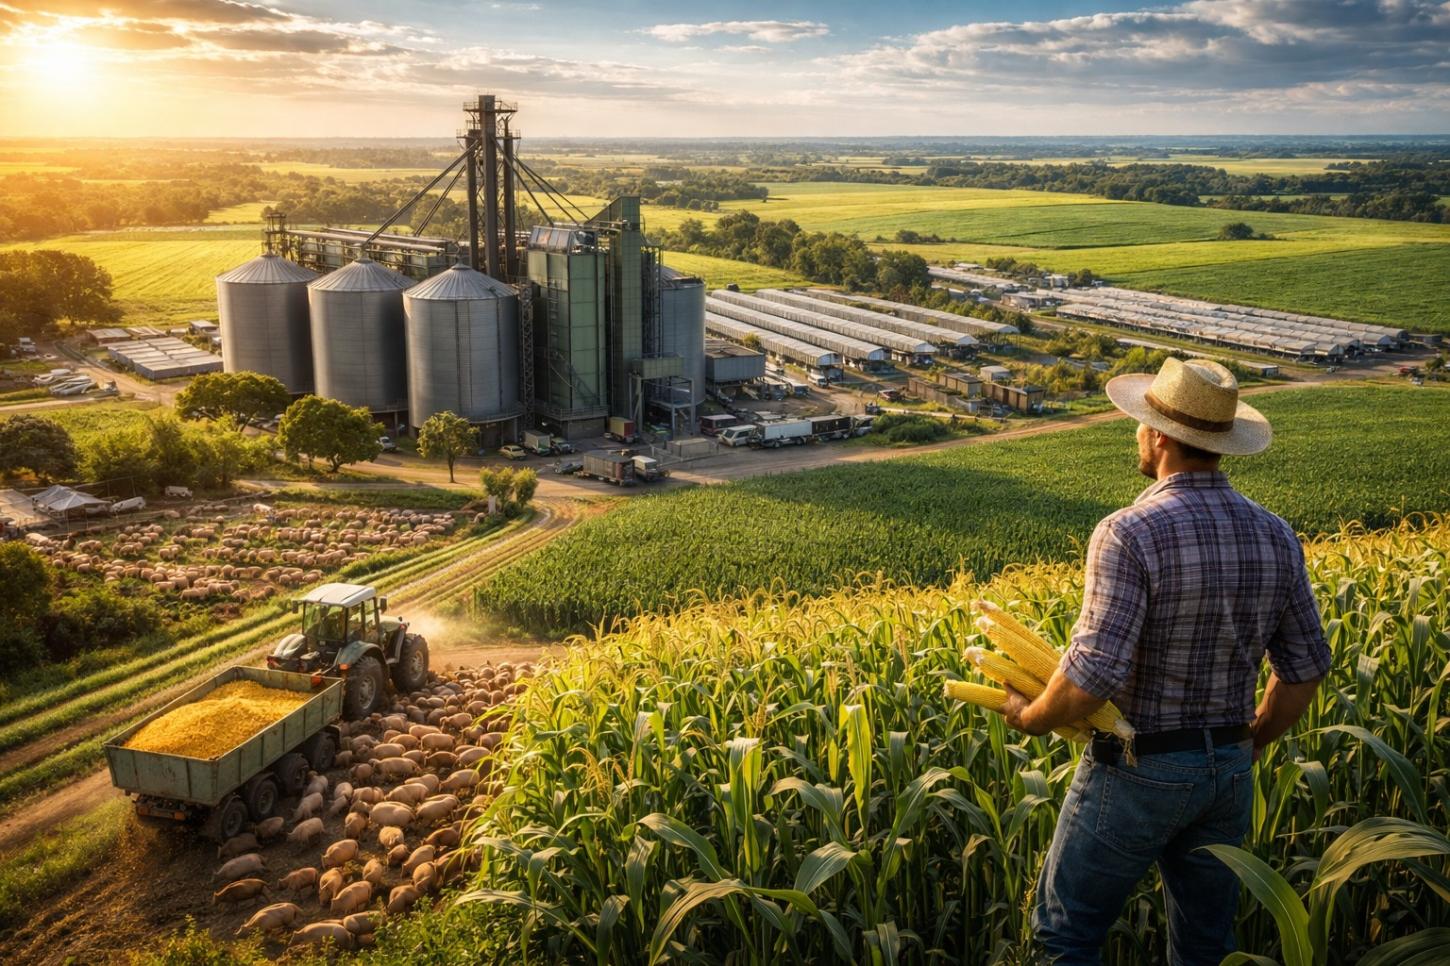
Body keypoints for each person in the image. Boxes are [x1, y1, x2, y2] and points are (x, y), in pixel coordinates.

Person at [997, 357, 1331, 965]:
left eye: (1140, 423)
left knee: (1064, 937)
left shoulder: (1129, 532)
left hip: (1139, 769)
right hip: (1228, 771)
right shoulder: (1276, 534)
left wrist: (1034, 717)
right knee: (1205, 947)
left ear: (1159, 436)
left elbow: (1091, 677)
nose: (1135, 434)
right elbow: (1304, 668)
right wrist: (1251, 741)